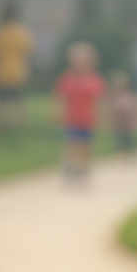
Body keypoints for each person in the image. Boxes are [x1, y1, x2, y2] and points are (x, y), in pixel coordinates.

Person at [54, 42, 105, 181]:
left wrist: (100, 116)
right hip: (72, 118)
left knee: (85, 145)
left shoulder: (94, 80)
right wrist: (59, 112)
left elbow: (98, 101)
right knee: (72, 143)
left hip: (87, 119)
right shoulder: (67, 79)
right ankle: (70, 165)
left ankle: (83, 167)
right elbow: (61, 98)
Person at [0, 4, 34, 117]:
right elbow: (29, 51)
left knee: (0, 100)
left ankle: (0, 120)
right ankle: (19, 119)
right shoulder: (22, 33)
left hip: (1, 71)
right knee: (18, 98)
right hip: (18, 71)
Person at [108, 70, 137, 154]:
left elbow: (135, 109)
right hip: (119, 124)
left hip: (129, 124)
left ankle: (131, 153)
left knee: (130, 140)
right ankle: (121, 155)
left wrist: (135, 120)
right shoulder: (114, 97)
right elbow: (112, 111)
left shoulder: (130, 96)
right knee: (120, 141)